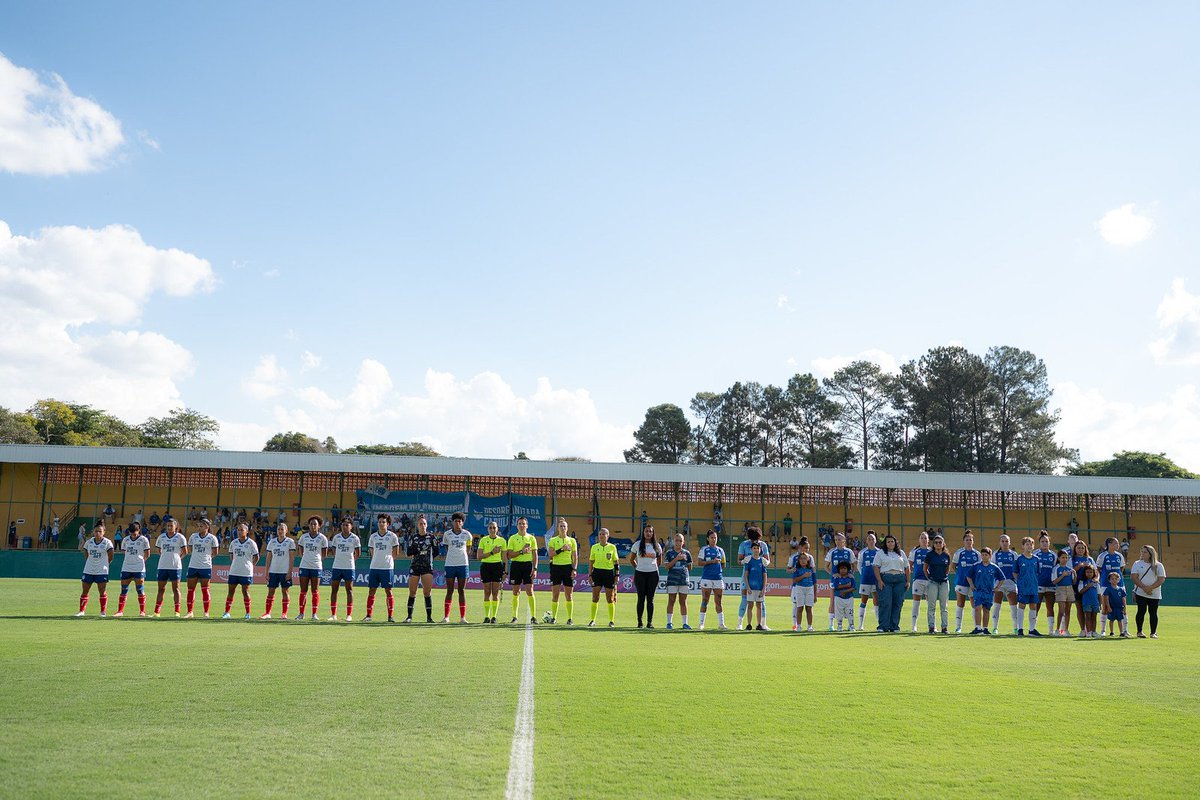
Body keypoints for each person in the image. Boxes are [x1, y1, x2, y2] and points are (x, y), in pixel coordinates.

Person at [364, 514, 400, 622]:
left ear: (387, 524)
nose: (381, 524)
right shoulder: (373, 536)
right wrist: (376, 559)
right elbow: (371, 551)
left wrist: (388, 561)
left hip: (387, 568)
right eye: (379, 522)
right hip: (374, 567)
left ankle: (390, 616)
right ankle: (369, 615)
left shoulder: (392, 536)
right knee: (371, 591)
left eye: (383, 522)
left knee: (388, 591)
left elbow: (396, 552)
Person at [872, 533, 909, 632]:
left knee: (897, 603)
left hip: (900, 579)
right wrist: (879, 580)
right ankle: (883, 626)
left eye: (892, 541)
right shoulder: (880, 553)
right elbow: (875, 566)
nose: (890, 543)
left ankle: (894, 626)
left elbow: (907, 567)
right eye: (888, 541)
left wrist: (908, 581)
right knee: (885, 602)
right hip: (886, 579)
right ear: (885, 543)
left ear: (895, 543)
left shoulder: (901, 553)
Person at [405, 514, 438, 623]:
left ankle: (429, 618)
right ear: (417, 525)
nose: (422, 525)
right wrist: (417, 550)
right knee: (412, 592)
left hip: (427, 567)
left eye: (424, 523)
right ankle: (409, 617)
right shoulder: (413, 537)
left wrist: (428, 558)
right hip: (415, 566)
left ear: (427, 525)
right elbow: (408, 552)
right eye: (420, 524)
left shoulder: (432, 537)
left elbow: (436, 551)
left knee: (427, 592)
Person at [544, 517, 578, 625]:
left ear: (567, 528)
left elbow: (575, 557)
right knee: (555, 595)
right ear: (558, 528)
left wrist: (574, 569)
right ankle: (554, 618)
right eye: (561, 526)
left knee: (569, 595)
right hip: (556, 568)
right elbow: (550, 555)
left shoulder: (572, 541)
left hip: (567, 568)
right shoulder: (553, 540)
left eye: (564, 526)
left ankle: (570, 618)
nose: (563, 528)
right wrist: (561, 549)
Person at [184, 517, 220, 618]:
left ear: (207, 527)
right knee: (191, 589)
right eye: (198, 526)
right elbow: (190, 549)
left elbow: (215, 552)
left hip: (205, 566)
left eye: (202, 526)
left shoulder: (212, 538)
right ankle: (190, 612)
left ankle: (206, 613)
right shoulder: (193, 536)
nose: (199, 528)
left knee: (205, 589)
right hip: (193, 566)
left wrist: (206, 558)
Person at [505, 516, 539, 624]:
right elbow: (509, 555)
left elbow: (535, 554)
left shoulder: (532, 538)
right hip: (516, 566)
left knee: (530, 590)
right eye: (520, 523)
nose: (522, 525)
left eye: (523, 524)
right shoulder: (512, 538)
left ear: (527, 525)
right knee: (516, 591)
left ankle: (533, 617)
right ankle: (514, 617)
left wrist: (535, 568)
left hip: (528, 566)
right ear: (517, 525)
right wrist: (521, 552)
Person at [76, 522, 114, 617]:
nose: (98, 533)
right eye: (96, 531)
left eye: (100, 531)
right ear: (93, 532)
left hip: (101, 571)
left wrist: (105, 564)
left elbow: (111, 556)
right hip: (88, 570)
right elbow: (85, 552)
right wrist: (90, 561)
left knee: (102, 591)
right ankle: (81, 611)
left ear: (104, 532)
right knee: (85, 590)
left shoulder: (107, 542)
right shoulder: (89, 542)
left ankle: (103, 612)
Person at [441, 512, 473, 623]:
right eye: (455, 521)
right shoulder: (447, 534)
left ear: (462, 523)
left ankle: (463, 617)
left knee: (461, 591)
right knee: (449, 590)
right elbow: (446, 547)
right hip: (450, 564)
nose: (457, 523)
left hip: (463, 565)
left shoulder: (467, 535)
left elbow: (468, 548)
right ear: (452, 522)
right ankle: (446, 617)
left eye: (459, 521)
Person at [222, 523, 259, 619]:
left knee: (245, 592)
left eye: (242, 530)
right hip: (234, 571)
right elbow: (231, 556)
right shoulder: (233, 543)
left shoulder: (251, 543)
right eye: (238, 530)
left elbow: (256, 557)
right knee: (230, 591)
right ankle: (226, 613)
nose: (239, 532)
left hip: (246, 572)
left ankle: (248, 613)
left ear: (247, 531)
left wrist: (250, 565)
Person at [153, 519, 188, 617]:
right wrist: (165, 557)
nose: (169, 527)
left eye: (171, 526)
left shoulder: (180, 537)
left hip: (175, 567)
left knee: (176, 588)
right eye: (167, 526)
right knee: (161, 589)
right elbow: (158, 550)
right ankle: (157, 611)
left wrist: (177, 558)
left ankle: (177, 611)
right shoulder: (161, 537)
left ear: (175, 527)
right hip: (162, 566)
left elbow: (185, 551)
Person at [295, 515, 329, 621]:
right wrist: (303, 556)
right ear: (309, 526)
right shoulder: (304, 537)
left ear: (319, 526)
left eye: (315, 524)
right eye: (311, 524)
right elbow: (300, 547)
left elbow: (324, 554)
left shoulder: (322, 538)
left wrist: (317, 560)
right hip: (304, 566)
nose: (313, 526)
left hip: (316, 567)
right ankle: (301, 613)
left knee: (315, 591)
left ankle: (314, 614)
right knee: (303, 591)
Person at [737, 527, 771, 630]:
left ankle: (763, 624)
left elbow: (767, 560)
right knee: (744, 600)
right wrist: (743, 561)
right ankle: (740, 623)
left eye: (756, 539)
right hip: (746, 577)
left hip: (759, 577)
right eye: (752, 540)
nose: (754, 542)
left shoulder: (763, 545)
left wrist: (767, 562)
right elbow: (739, 560)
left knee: (761, 602)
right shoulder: (743, 544)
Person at [629, 525, 662, 629]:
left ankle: (649, 622)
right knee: (640, 598)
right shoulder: (637, 545)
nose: (648, 533)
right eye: (646, 531)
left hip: (653, 574)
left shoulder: (657, 546)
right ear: (643, 533)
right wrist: (638, 567)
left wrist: (653, 568)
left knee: (650, 599)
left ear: (653, 533)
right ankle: (639, 622)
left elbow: (659, 561)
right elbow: (632, 559)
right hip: (640, 574)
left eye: (650, 531)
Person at [261, 523, 297, 619]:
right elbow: (268, 558)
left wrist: (290, 571)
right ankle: (267, 613)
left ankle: (284, 613)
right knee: (270, 591)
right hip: (273, 570)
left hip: (285, 571)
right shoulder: (272, 542)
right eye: (278, 529)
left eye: (282, 529)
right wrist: (266, 571)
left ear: (286, 531)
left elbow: (292, 558)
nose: (280, 531)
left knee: (285, 591)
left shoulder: (290, 542)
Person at [115, 521, 150, 617]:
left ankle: (142, 611)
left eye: (135, 533)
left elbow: (147, 554)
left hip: (139, 568)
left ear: (139, 531)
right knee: (124, 589)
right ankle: (120, 611)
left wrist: (141, 562)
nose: (133, 535)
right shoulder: (126, 540)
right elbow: (125, 552)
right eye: (131, 533)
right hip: (126, 567)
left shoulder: (144, 540)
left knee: (139, 589)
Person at [1130, 544, 1166, 638]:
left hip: (1154, 593)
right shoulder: (1137, 563)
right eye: (1141, 551)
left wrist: (1150, 588)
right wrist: (1144, 588)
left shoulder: (1158, 565)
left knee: (1153, 612)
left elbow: (1161, 579)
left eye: (1145, 552)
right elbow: (1134, 577)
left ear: (1150, 554)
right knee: (1141, 611)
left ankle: (1153, 632)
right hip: (1140, 592)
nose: (1142, 553)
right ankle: (1139, 631)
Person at [328, 518, 361, 621]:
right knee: (334, 590)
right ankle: (333, 615)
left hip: (349, 567)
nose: (345, 527)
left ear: (351, 526)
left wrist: (351, 560)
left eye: (347, 525)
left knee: (349, 590)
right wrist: (339, 557)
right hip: (337, 566)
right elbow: (333, 549)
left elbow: (358, 552)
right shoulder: (336, 537)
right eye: (343, 525)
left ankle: (349, 615)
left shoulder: (355, 538)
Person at [966, 547, 1002, 635]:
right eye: (982, 555)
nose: (984, 556)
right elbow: (968, 576)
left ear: (990, 556)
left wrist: (997, 587)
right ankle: (978, 627)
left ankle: (985, 628)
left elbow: (1002, 578)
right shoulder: (976, 566)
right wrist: (971, 585)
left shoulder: (994, 567)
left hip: (989, 592)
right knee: (977, 608)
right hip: (978, 591)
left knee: (986, 609)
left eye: (986, 555)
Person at [696, 530, 727, 631]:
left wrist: (718, 570)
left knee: (718, 601)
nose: (714, 539)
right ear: (708, 539)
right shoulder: (704, 549)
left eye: (715, 538)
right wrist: (711, 562)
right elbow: (699, 563)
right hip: (706, 578)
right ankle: (701, 624)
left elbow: (723, 564)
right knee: (705, 600)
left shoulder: (721, 550)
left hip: (718, 578)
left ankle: (721, 624)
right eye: (712, 538)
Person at [476, 521, 507, 623]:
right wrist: (492, 552)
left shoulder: (502, 541)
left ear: (497, 529)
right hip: (486, 566)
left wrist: (505, 572)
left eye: (494, 528)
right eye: (490, 528)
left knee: (495, 592)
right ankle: (486, 616)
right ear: (487, 529)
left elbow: (504, 558)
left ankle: (494, 616)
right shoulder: (483, 540)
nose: (492, 529)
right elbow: (479, 557)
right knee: (486, 592)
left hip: (497, 567)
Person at [587, 527, 619, 628]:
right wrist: (590, 575)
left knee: (610, 598)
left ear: (607, 536)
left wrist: (617, 575)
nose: (601, 536)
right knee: (595, 597)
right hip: (597, 573)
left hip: (609, 573)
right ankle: (592, 620)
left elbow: (616, 562)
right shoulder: (594, 547)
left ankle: (611, 621)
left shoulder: (612, 547)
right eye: (600, 534)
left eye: (603, 534)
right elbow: (591, 562)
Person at [951, 530, 980, 634]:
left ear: (973, 541)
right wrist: (960, 574)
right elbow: (953, 566)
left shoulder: (977, 554)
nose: (969, 541)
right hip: (961, 582)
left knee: (974, 604)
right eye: (967, 540)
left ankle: (976, 626)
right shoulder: (959, 553)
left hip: (974, 584)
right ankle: (958, 627)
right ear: (964, 541)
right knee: (960, 603)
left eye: (970, 540)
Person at [824, 532, 854, 631]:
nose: (837, 541)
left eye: (839, 539)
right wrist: (833, 574)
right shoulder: (832, 552)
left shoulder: (849, 552)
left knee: (848, 602)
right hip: (835, 582)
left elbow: (854, 565)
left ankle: (850, 625)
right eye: (836, 540)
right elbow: (826, 567)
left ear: (844, 541)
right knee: (832, 602)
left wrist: (851, 574)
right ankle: (831, 624)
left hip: (847, 582)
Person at [1013, 536, 1043, 636]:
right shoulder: (1019, 559)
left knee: (1033, 606)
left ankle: (1032, 630)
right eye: (1027, 544)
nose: (1029, 546)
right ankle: (1020, 629)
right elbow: (1015, 572)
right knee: (1021, 606)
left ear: (1033, 546)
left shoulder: (1036, 559)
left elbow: (1037, 573)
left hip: (1033, 587)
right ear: (1023, 546)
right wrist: (1020, 582)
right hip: (1023, 587)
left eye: (1031, 544)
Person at [1095, 538, 1125, 635]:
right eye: (1116, 543)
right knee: (1105, 608)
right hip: (1105, 584)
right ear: (1109, 544)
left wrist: (1116, 579)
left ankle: (1125, 630)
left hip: (1119, 584)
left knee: (1123, 607)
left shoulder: (1120, 555)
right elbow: (1098, 568)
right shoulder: (1103, 555)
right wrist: (1105, 577)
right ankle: (1103, 631)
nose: (1118, 545)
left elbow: (1121, 568)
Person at [663, 532, 693, 630]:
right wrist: (676, 559)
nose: (678, 542)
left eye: (680, 540)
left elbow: (690, 567)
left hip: (683, 580)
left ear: (683, 542)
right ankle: (669, 623)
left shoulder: (687, 553)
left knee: (683, 602)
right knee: (671, 601)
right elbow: (666, 566)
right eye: (676, 540)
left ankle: (685, 623)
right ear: (673, 542)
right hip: (672, 580)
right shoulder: (669, 553)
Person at [990, 534, 1019, 635]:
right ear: (1000, 543)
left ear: (1010, 542)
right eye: (1002, 541)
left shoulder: (1014, 555)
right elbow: (992, 569)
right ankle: (995, 628)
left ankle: (1016, 629)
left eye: (1006, 541)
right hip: (999, 583)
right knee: (997, 606)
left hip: (1011, 583)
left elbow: (1017, 569)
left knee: (1014, 607)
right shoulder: (995, 554)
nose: (1004, 543)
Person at [923, 534, 951, 633]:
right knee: (932, 606)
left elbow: (947, 568)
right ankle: (931, 626)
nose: (938, 544)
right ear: (933, 544)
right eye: (936, 542)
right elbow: (925, 569)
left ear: (943, 544)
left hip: (944, 582)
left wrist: (944, 576)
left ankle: (944, 627)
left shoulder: (946, 555)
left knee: (944, 606)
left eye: (940, 542)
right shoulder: (930, 555)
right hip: (933, 582)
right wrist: (929, 578)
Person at [788, 536, 817, 632]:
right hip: (797, 586)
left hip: (808, 586)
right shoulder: (793, 557)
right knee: (796, 605)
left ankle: (808, 626)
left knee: (808, 607)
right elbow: (788, 569)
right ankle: (795, 625)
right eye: (805, 548)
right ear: (800, 547)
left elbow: (813, 570)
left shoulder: (810, 557)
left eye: (808, 548)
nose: (806, 550)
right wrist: (792, 569)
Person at [1069, 541, 1095, 636]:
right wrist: (1079, 566)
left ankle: (1092, 630)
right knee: (1079, 607)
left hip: (1089, 586)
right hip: (1076, 585)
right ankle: (1082, 629)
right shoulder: (1071, 559)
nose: (1080, 550)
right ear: (1075, 549)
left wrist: (1095, 580)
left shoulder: (1089, 559)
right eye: (1078, 548)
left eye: (1082, 548)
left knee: (1089, 609)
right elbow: (1069, 571)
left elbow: (1096, 571)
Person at [1033, 531, 1058, 635]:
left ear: (1049, 542)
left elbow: (1055, 569)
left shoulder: (1053, 555)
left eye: (1046, 541)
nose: (1044, 543)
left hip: (1051, 585)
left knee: (1050, 607)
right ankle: (1032, 628)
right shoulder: (1035, 554)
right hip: (1038, 584)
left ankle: (1051, 630)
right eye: (1042, 541)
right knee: (1036, 607)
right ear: (1039, 543)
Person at [855, 531, 880, 632]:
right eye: (869, 539)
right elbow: (859, 565)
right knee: (863, 601)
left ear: (875, 541)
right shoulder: (862, 552)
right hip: (865, 580)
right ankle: (861, 625)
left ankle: (879, 624)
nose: (871, 541)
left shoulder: (879, 552)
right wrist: (863, 573)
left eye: (872, 539)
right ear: (866, 541)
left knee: (877, 601)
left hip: (876, 580)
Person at [908, 531, 930, 632]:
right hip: (918, 580)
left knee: (930, 604)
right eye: (922, 538)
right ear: (919, 540)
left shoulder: (931, 552)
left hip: (930, 581)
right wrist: (915, 571)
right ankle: (914, 626)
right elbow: (909, 566)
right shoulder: (915, 551)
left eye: (925, 538)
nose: (924, 540)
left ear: (928, 540)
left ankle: (932, 625)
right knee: (916, 603)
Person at [743, 542, 768, 631]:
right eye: (754, 548)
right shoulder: (748, 561)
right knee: (750, 605)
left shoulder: (762, 561)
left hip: (760, 588)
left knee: (759, 606)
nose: (756, 550)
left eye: (758, 548)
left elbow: (765, 575)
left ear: (760, 550)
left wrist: (764, 588)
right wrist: (748, 587)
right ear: (751, 549)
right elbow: (745, 575)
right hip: (751, 588)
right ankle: (749, 624)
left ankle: (759, 624)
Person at [1051, 550, 1075, 636]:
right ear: (1059, 558)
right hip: (1060, 589)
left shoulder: (1069, 569)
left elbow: (1073, 582)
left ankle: (1066, 630)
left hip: (1069, 589)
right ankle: (1057, 629)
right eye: (1063, 557)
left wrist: (1074, 574)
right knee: (1061, 611)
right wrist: (1063, 575)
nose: (1064, 559)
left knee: (1068, 610)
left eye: (1066, 558)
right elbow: (1054, 581)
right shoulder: (1056, 568)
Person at [1102, 570, 1129, 637]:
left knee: (1120, 620)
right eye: (1112, 579)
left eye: (1116, 579)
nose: (1114, 580)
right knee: (1111, 620)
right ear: (1109, 580)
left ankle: (1121, 632)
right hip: (1112, 607)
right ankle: (1111, 632)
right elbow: (1106, 598)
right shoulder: (1108, 589)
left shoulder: (1121, 589)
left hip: (1119, 607)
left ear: (1118, 580)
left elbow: (1123, 598)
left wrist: (1124, 607)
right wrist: (1108, 606)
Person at [830, 562, 856, 631]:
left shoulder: (851, 577)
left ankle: (851, 626)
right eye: (841, 568)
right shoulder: (836, 578)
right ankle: (839, 626)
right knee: (839, 612)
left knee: (850, 612)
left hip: (849, 597)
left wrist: (845, 591)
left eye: (844, 568)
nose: (843, 570)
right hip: (838, 597)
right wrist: (847, 586)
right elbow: (836, 587)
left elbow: (853, 587)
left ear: (848, 569)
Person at [1077, 565, 1101, 638]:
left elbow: (1099, 594)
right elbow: (1080, 591)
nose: (1089, 573)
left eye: (1091, 572)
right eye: (1087, 572)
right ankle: (1088, 632)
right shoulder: (1082, 581)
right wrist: (1087, 586)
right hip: (1086, 602)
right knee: (1088, 617)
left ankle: (1094, 631)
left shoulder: (1096, 582)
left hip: (1095, 602)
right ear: (1084, 573)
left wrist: (1100, 603)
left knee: (1094, 617)